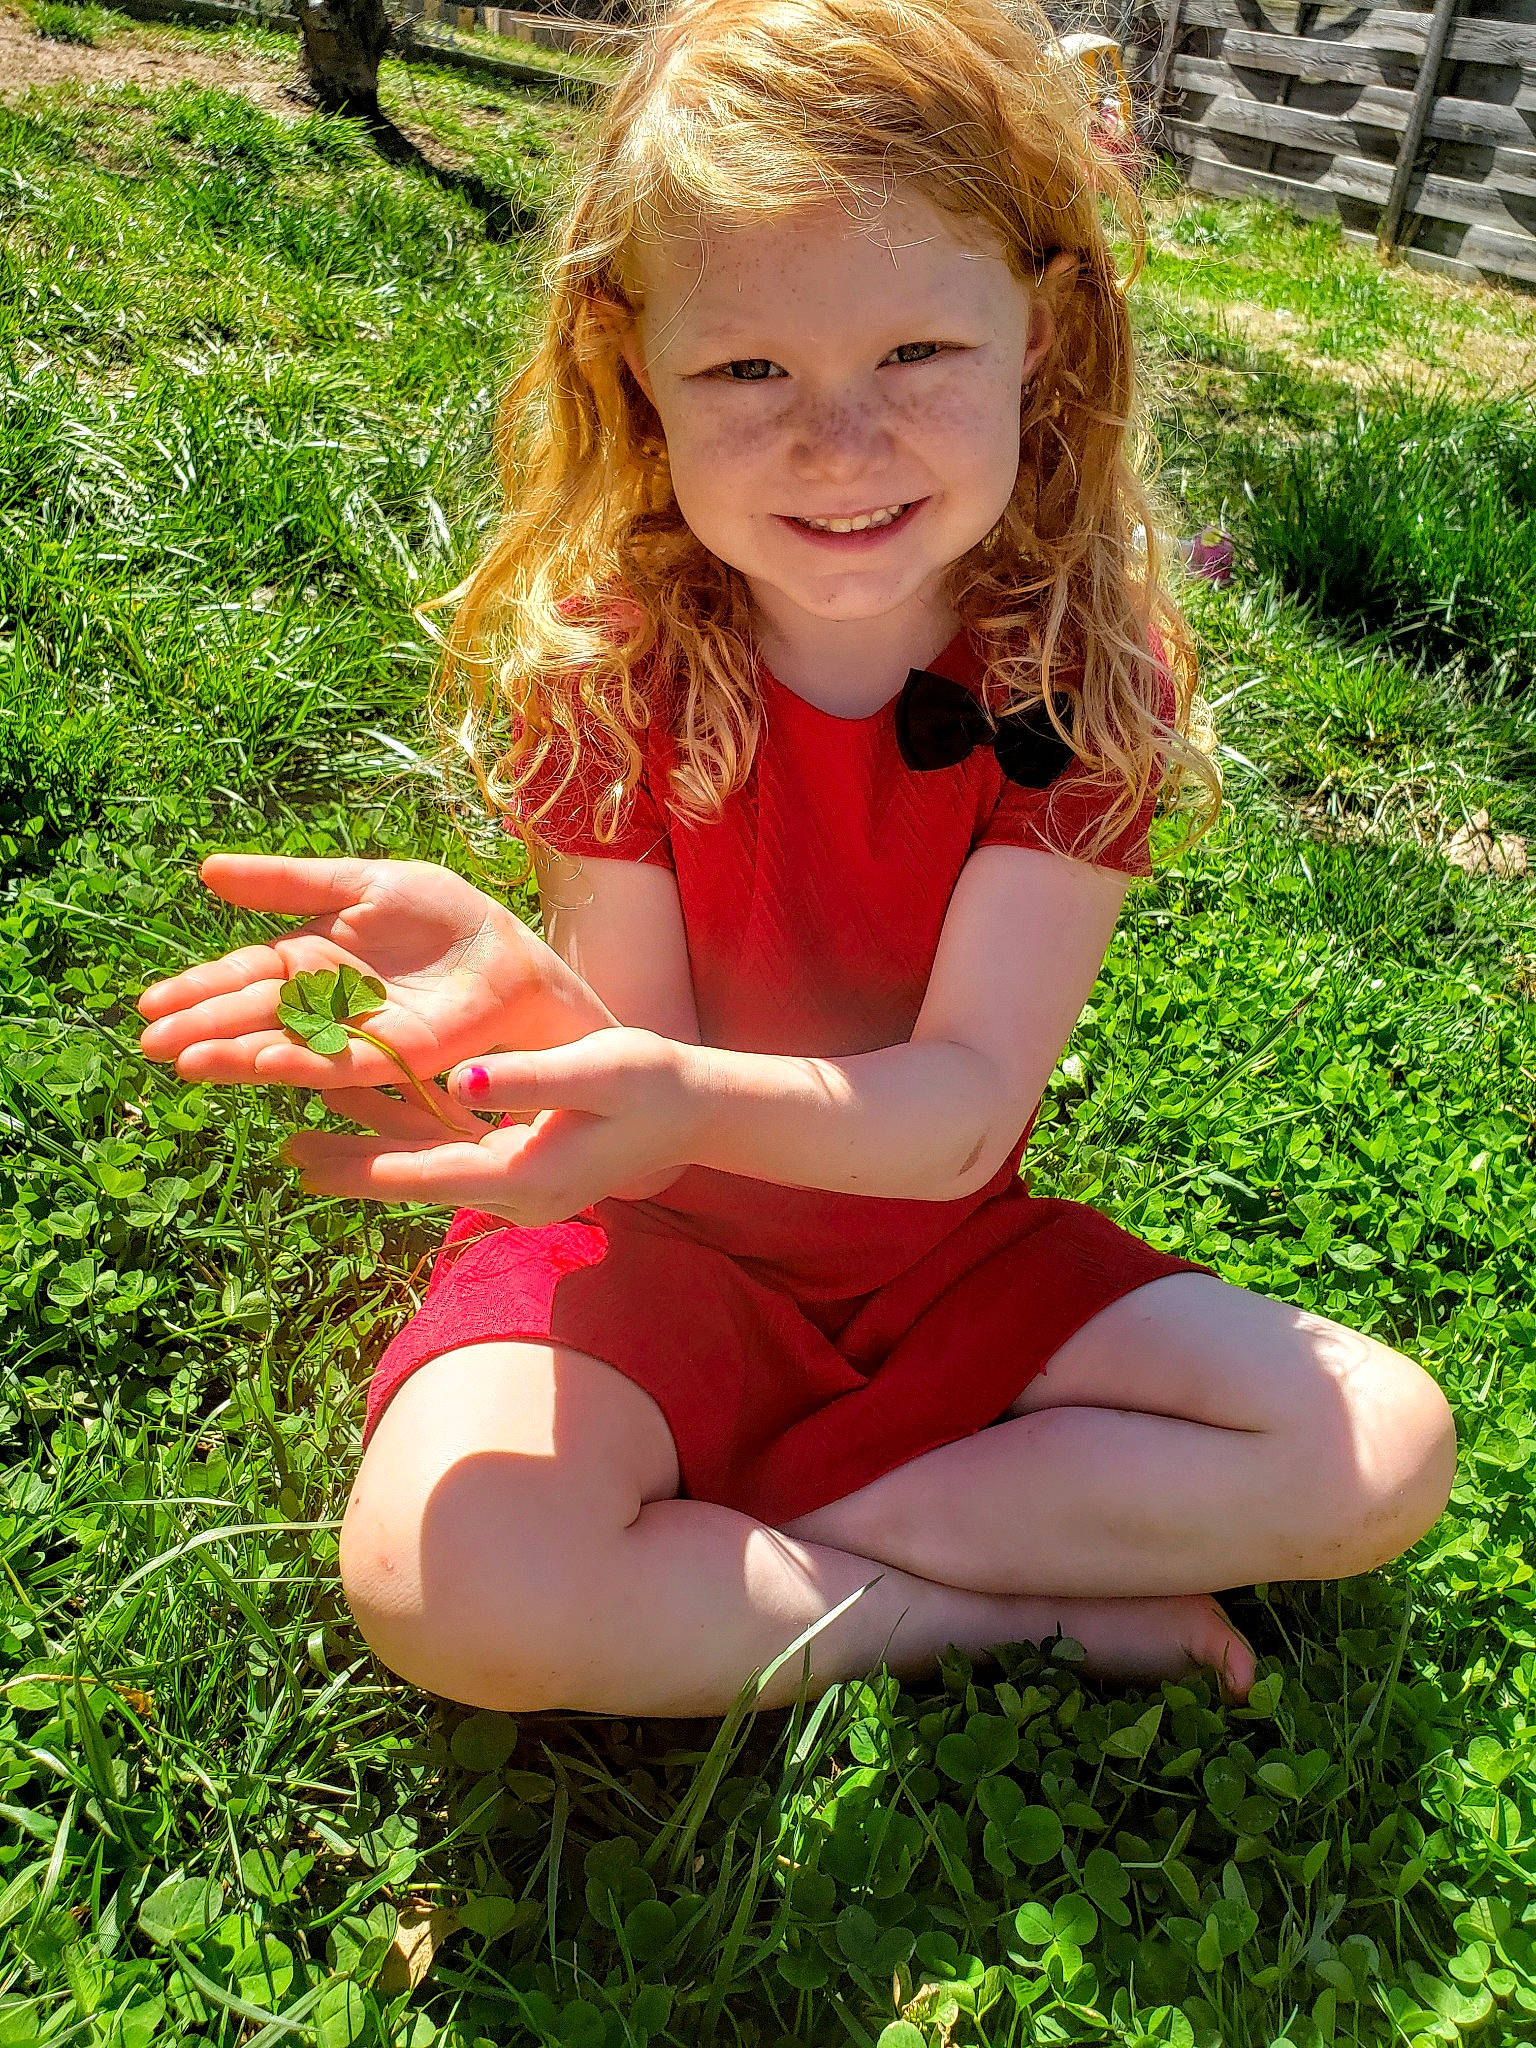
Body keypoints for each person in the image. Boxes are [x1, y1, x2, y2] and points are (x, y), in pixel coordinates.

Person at [136, 0, 1456, 1720]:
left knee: (1381, 1452)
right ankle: (978, 1607)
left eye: (918, 355)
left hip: (935, 1251)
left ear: (1044, 335)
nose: (840, 446)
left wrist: (676, 1089)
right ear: (631, 364)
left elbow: (968, 1105)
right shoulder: (609, 654)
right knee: (443, 1583)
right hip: (652, 1242)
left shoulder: (1076, 675)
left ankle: (755, 1539)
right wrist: (524, 1016)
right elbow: (627, 1081)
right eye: (749, 370)